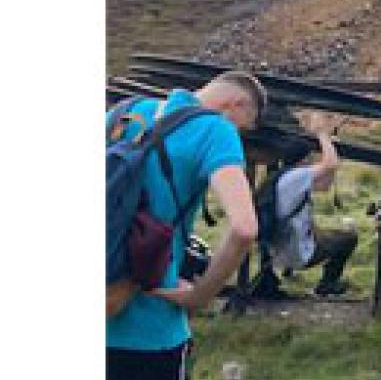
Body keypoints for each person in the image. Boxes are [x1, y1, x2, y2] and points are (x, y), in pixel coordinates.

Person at [106, 70, 267, 380]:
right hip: (150, 330)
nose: (238, 133)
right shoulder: (215, 129)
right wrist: (200, 296)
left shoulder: (122, 113)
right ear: (234, 105)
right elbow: (244, 227)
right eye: (242, 127)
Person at [270, 111, 358, 296]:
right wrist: (322, 134)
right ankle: (327, 284)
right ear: (303, 160)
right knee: (348, 239)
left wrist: (330, 143)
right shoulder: (296, 177)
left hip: (281, 248)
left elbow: (324, 185)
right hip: (297, 252)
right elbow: (330, 164)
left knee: (328, 234)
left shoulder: (285, 177)